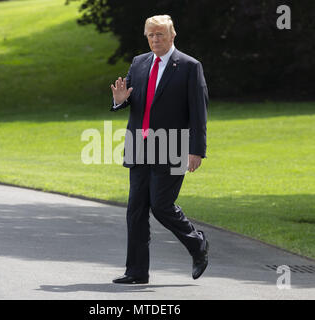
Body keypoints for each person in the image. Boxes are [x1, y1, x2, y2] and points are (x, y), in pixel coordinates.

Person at [110, 15, 209, 284]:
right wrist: (119, 101)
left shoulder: (190, 66)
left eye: (160, 35)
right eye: (151, 35)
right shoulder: (139, 62)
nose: (155, 39)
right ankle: (137, 272)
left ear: (172, 35)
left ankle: (197, 243)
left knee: (162, 206)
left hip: (172, 145)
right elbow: (128, 97)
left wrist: (196, 150)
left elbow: (199, 113)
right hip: (139, 146)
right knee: (136, 210)